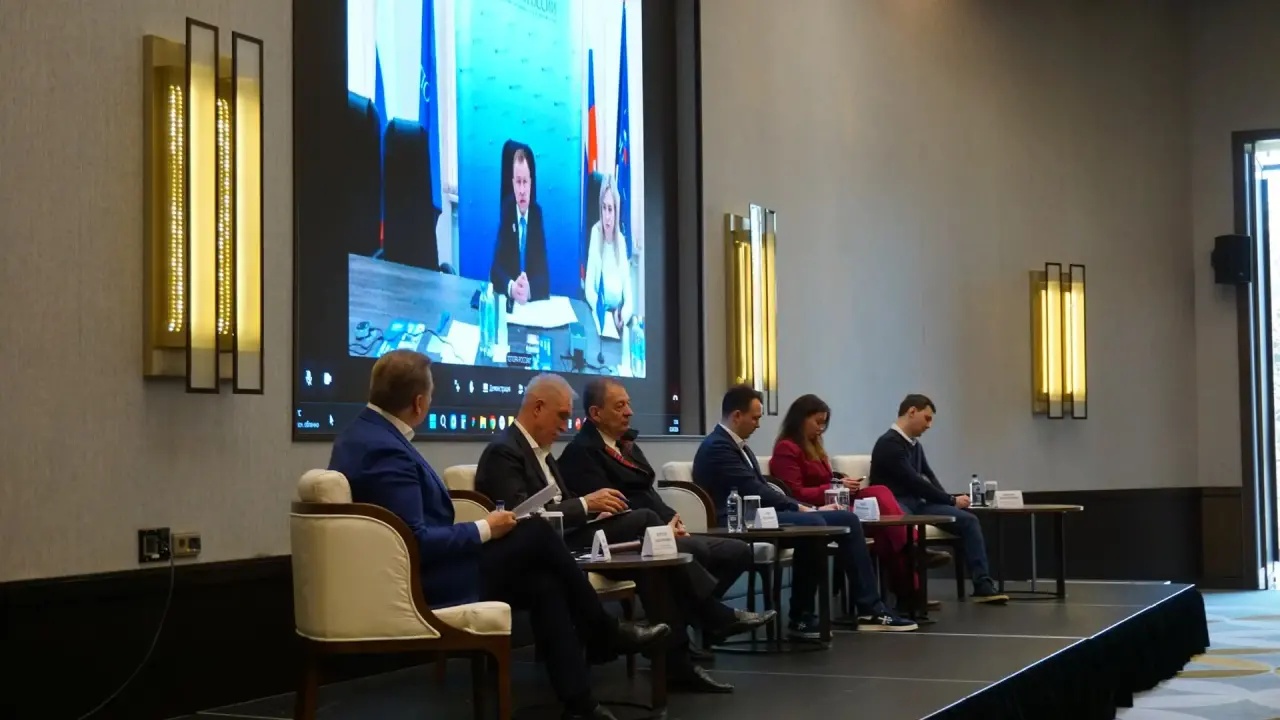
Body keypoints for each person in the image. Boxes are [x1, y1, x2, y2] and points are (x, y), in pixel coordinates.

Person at [328, 351, 668, 720]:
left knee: (544, 583)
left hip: (425, 569)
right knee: (535, 530)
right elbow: (416, 541)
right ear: (419, 403)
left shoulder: (364, 435)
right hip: (423, 582)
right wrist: (485, 527)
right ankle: (603, 630)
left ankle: (580, 702)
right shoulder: (385, 449)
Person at [476, 374, 772, 693]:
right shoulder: (504, 452)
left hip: (570, 537)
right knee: (645, 522)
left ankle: (677, 663)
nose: (565, 426)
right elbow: (521, 517)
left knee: (654, 563)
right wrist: (586, 505)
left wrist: (596, 512)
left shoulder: (543, 452)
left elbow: (564, 504)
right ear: (537, 408)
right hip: (545, 548)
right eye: (561, 416)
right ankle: (709, 616)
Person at [558, 378, 766, 654]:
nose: (629, 412)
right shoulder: (581, 452)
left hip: (655, 529)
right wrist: (662, 528)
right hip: (626, 541)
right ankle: (706, 620)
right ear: (596, 413)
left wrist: (673, 519)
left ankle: (696, 619)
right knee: (692, 550)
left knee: (736, 551)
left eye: (628, 404)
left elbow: (649, 493)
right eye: (620, 406)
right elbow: (615, 508)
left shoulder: (627, 445)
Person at [693, 385, 918, 635]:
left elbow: (760, 489)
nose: (758, 424)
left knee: (847, 519)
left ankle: (867, 608)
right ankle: (803, 615)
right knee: (814, 524)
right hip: (737, 521)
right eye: (755, 418)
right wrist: (802, 508)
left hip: (758, 515)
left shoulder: (738, 447)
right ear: (737, 415)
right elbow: (753, 488)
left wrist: (810, 508)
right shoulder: (718, 447)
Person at [769, 394, 950, 607]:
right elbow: (794, 493)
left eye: (824, 424)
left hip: (835, 501)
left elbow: (825, 479)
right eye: (817, 422)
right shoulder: (787, 448)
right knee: (884, 522)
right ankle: (911, 570)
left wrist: (841, 482)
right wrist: (834, 488)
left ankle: (909, 572)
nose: (821, 429)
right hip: (813, 508)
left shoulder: (815, 447)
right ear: (801, 419)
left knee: (881, 498)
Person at [869, 394, 1009, 604]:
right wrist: (950, 500)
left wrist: (950, 502)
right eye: (927, 418)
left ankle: (983, 585)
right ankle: (910, 591)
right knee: (905, 524)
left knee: (968, 521)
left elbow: (929, 477)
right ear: (912, 412)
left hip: (918, 504)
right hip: (895, 504)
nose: (929, 425)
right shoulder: (888, 444)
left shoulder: (915, 445)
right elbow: (914, 481)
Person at [490, 144, 550, 304]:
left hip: (530, 307)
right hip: (511, 306)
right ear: (513, 183)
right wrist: (512, 288)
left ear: (531, 183)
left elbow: (545, 279)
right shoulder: (507, 211)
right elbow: (495, 271)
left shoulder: (536, 215)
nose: (522, 190)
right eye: (518, 182)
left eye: (525, 182)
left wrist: (529, 290)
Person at [584, 175, 632, 336]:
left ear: (616, 211)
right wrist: (599, 310)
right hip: (598, 317)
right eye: (603, 208)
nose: (607, 216)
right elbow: (589, 288)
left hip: (615, 321)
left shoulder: (621, 242)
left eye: (610, 209)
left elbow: (629, 300)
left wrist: (622, 317)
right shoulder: (595, 233)